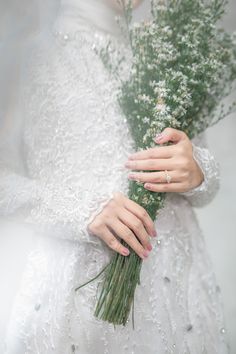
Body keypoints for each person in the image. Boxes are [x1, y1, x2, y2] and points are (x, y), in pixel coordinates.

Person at [0, 0, 229, 353]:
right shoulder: (27, 53)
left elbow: (204, 185)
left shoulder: (170, 52)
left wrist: (198, 169)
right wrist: (83, 211)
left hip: (179, 297)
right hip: (79, 300)